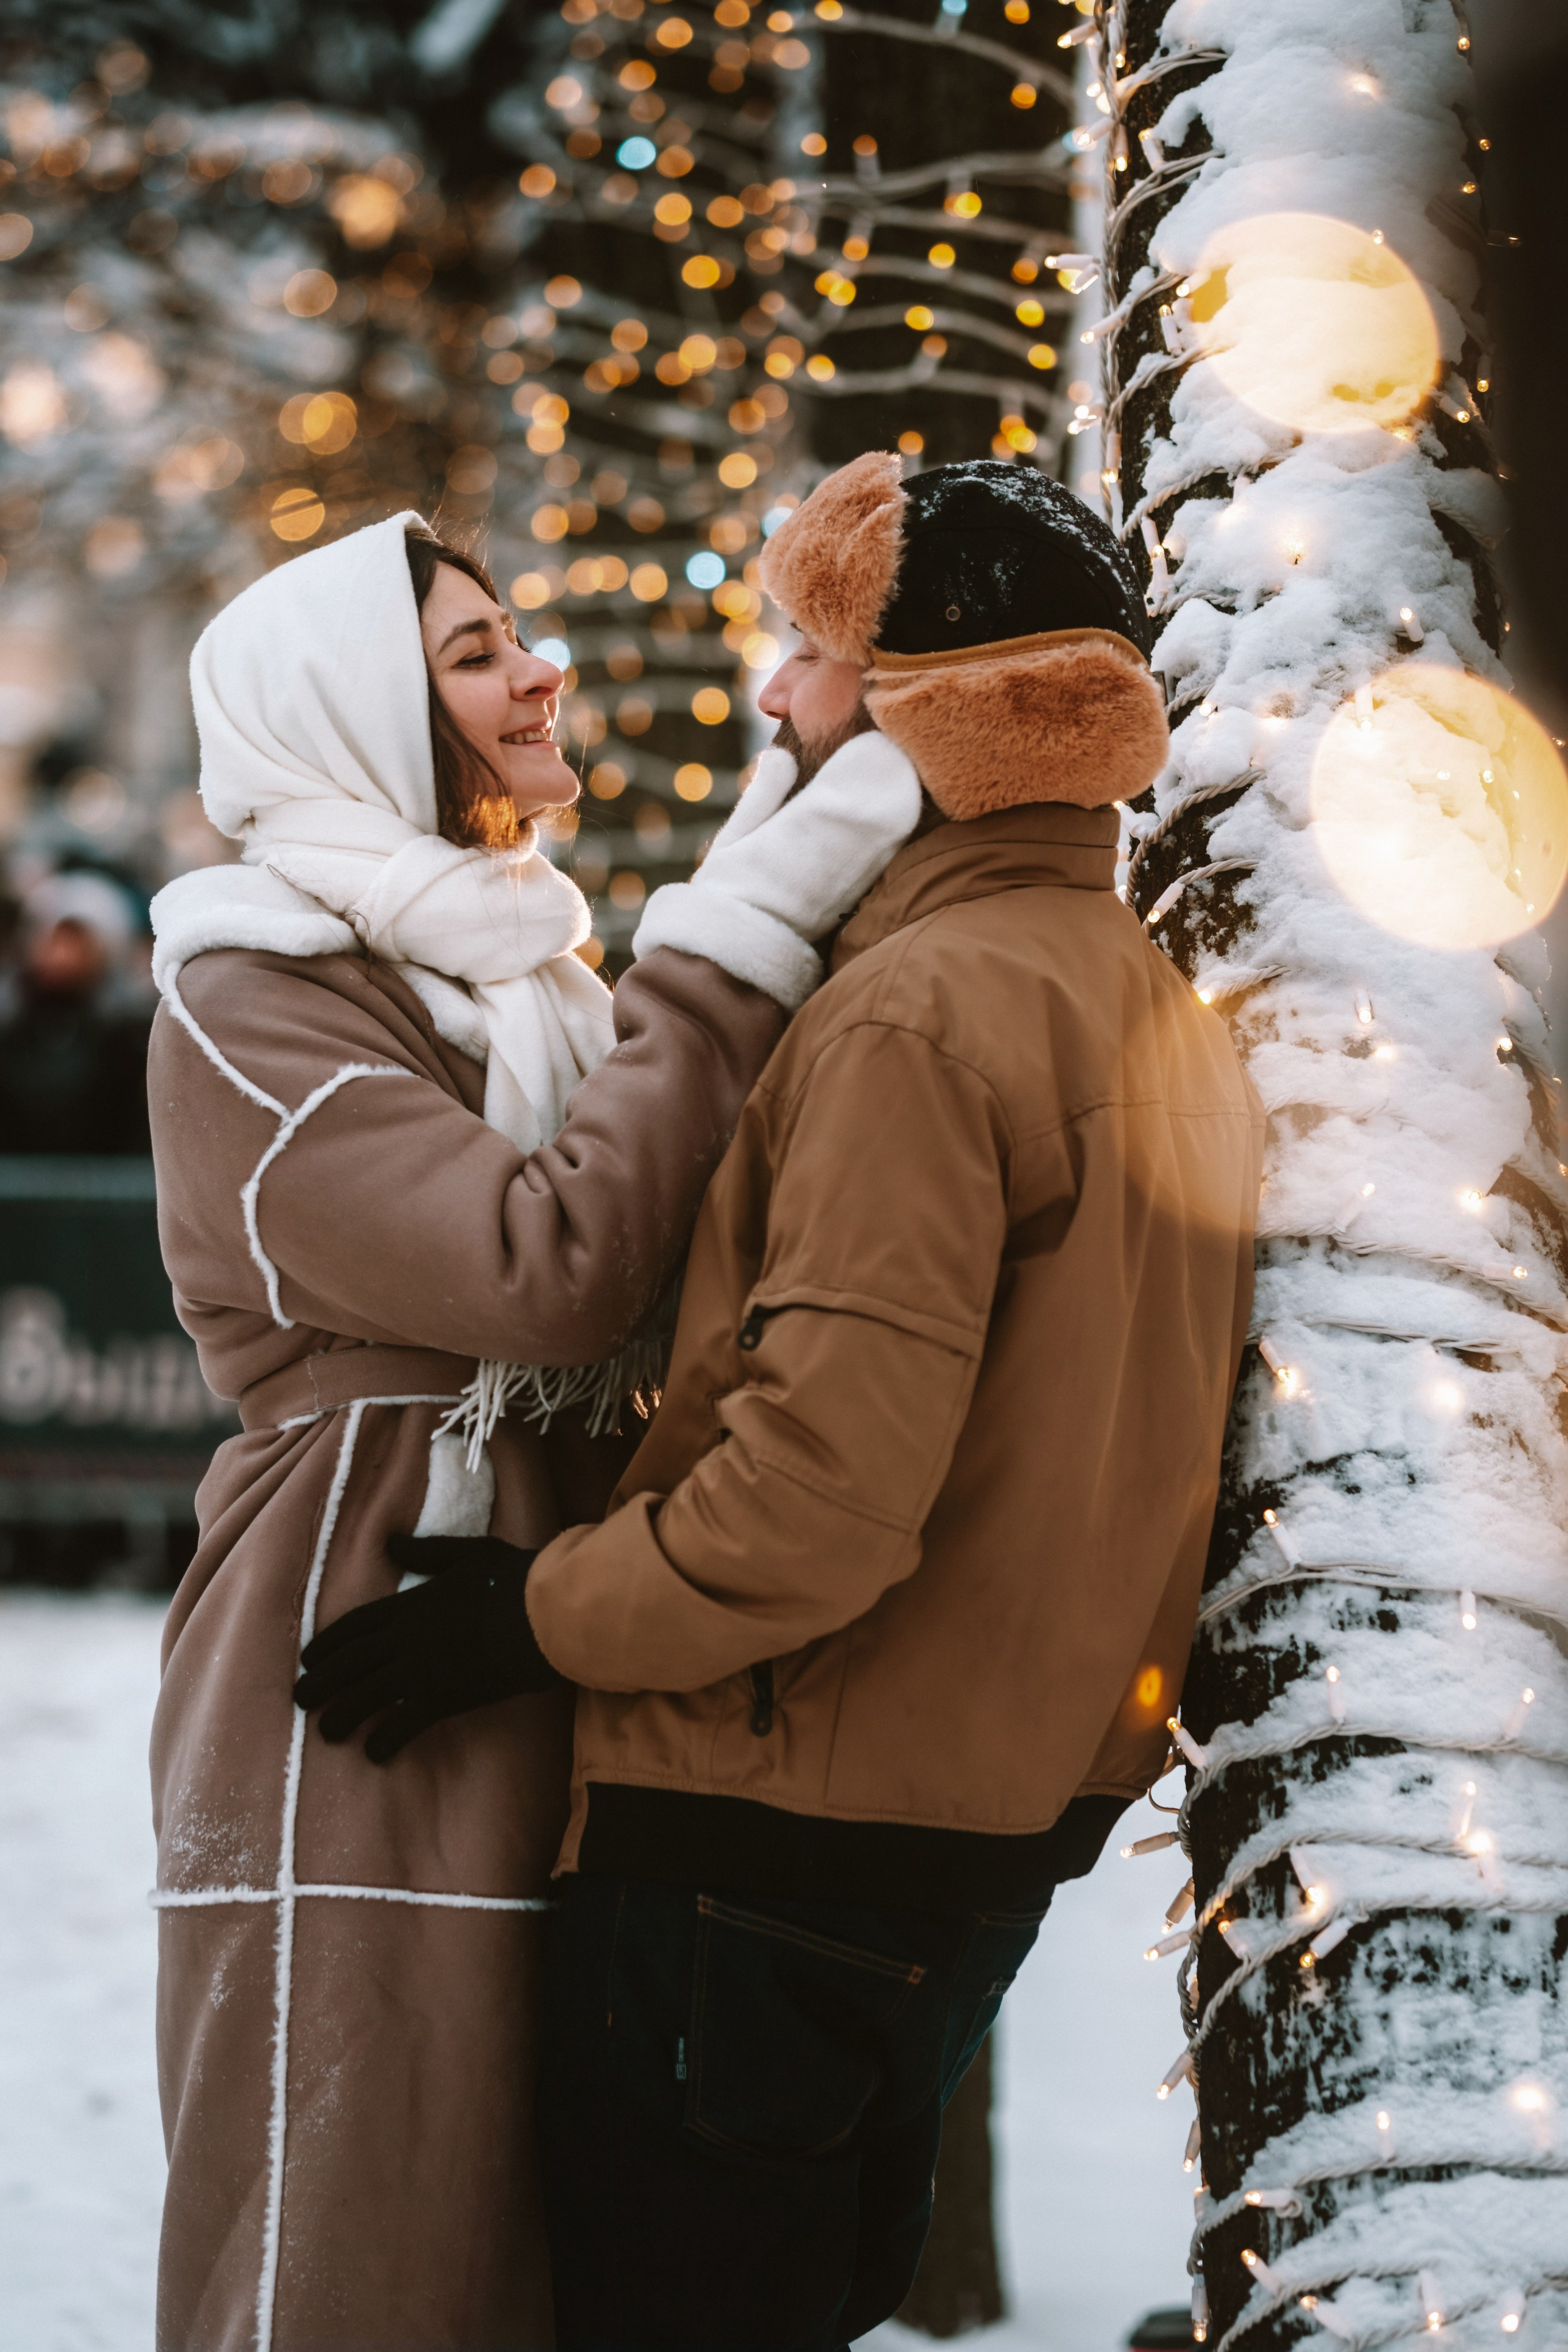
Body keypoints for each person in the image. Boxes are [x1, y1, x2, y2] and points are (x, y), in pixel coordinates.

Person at [300, 458, 1264, 2351]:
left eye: (817, 654)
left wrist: (533, 1611)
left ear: (936, 711)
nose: (774, 697)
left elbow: (814, 1499)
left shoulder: (917, 1017)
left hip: (769, 1826)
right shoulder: (1133, 991)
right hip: (961, 1823)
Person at [144, 510, 921, 2352]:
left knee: (557, 2206)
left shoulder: (532, 984)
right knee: (372, 2196)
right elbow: (550, 1263)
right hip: (362, 1628)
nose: (540, 668)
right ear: (345, 713)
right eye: (477, 652)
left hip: (560, 1605)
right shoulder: (247, 994)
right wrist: (732, 946)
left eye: (520, 635)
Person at [0, 867, 152, 1152]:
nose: (58, 956)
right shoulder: (13, 1033)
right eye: (51, 939)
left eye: (73, 941)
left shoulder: (126, 1040)